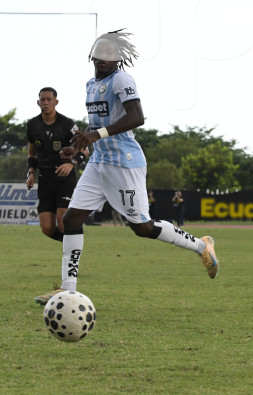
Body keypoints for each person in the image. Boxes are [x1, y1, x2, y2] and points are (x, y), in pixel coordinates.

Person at [34, 31, 219, 306]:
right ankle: (67, 290)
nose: (104, 58)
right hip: (99, 163)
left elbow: (137, 117)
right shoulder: (89, 84)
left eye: (110, 54)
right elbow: (99, 128)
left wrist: (96, 136)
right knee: (71, 220)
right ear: (93, 55)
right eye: (100, 53)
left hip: (125, 163)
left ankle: (203, 247)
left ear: (118, 58)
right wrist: (81, 145)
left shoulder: (121, 79)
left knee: (142, 227)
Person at [25, 87, 87, 243]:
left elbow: (85, 150)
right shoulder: (32, 125)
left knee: (63, 220)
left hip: (64, 177)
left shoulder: (68, 124)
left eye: (49, 99)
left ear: (56, 102)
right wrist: (31, 172)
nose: (45, 103)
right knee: (47, 228)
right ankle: (72, 242)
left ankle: (71, 250)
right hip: (45, 178)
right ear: (38, 102)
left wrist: (71, 164)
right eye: (42, 99)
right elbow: (32, 154)